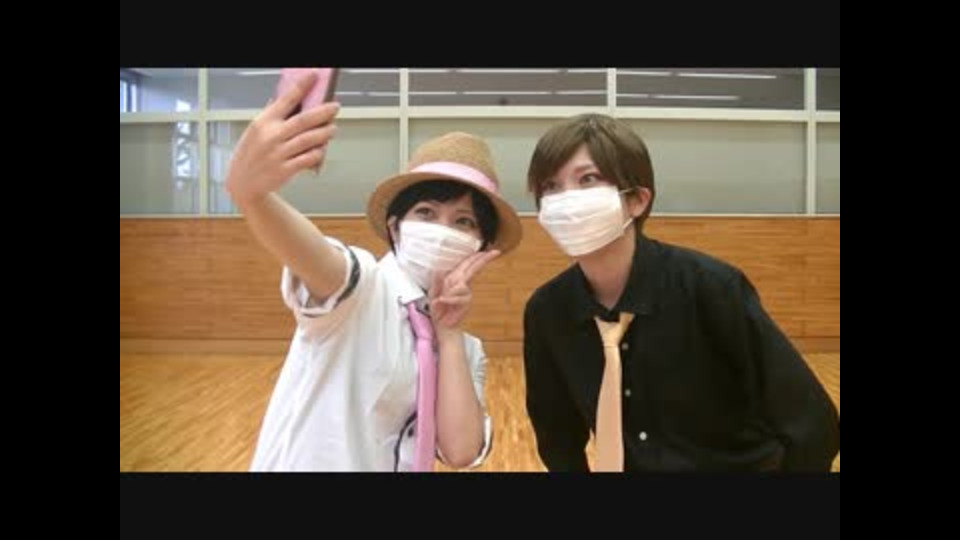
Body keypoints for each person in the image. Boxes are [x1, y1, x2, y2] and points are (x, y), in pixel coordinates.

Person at [225, 71, 523, 471]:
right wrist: (253, 197)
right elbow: (315, 256)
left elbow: (461, 452)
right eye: (426, 213)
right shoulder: (360, 288)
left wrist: (449, 334)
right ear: (395, 227)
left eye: (463, 221)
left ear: (480, 246)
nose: (442, 230)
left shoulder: (466, 350)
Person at [521, 113, 840, 472]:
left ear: (637, 200)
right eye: (550, 186)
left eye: (588, 179)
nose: (566, 199)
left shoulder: (712, 288)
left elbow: (812, 424)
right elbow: (558, 437)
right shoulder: (547, 311)